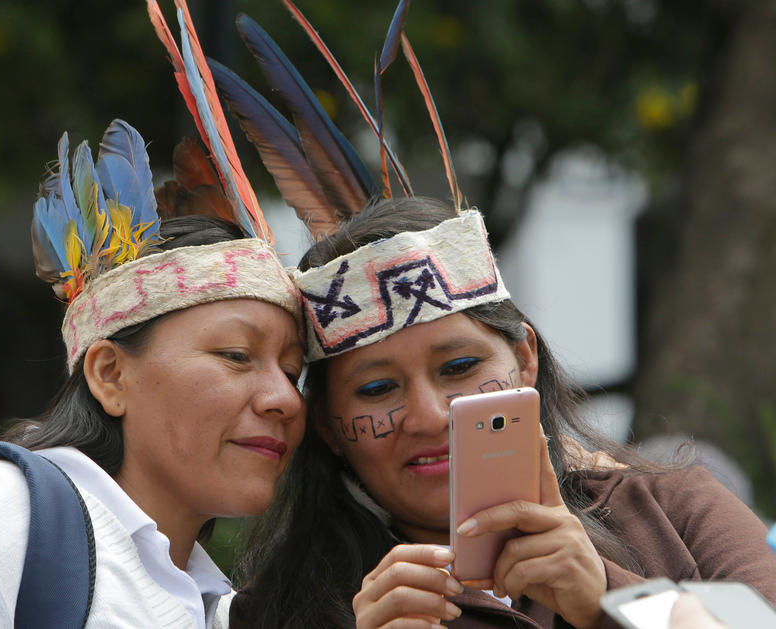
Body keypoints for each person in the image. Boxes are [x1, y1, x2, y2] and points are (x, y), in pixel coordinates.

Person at [209, 3, 776, 628]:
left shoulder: (677, 510)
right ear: (328, 427)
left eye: (459, 366)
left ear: (525, 357)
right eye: (376, 388)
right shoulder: (280, 610)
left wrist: (606, 598)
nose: (428, 415)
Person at [0, 16, 306, 621]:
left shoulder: (220, 606)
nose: (285, 400)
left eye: (293, 370)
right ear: (109, 374)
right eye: (236, 356)